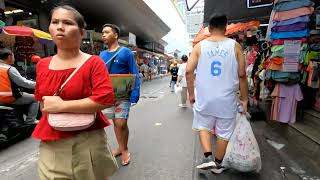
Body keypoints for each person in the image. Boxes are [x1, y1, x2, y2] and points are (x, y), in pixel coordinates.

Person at [32, 5, 117, 180]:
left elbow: (105, 99)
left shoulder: (94, 62)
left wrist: (62, 106)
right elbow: (43, 104)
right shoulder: (42, 65)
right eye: (55, 22)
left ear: (81, 32)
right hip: (52, 141)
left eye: (68, 23)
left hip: (89, 138)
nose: (60, 27)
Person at [186, 13, 248, 174]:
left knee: (203, 126)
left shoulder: (199, 46)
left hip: (205, 98)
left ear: (209, 28)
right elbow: (242, 74)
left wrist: (191, 94)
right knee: (224, 133)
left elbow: (188, 71)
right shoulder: (235, 46)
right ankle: (218, 165)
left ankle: (207, 158)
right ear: (225, 27)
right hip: (227, 99)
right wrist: (244, 99)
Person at [99, 23, 140, 166]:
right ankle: (120, 147)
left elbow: (134, 72)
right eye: (102, 32)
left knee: (121, 123)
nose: (103, 35)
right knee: (115, 123)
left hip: (123, 94)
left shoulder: (125, 52)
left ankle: (125, 149)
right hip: (108, 95)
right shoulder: (102, 55)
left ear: (115, 35)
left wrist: (135, 93)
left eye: (106, 32)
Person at [0, 47, 39, 124]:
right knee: (35, 98)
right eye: (13, 56)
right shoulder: (9, 69)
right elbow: (23, 83)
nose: (14, 58)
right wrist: (39, 84)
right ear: (9, 57)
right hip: (8, 98)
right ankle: (30, 121)